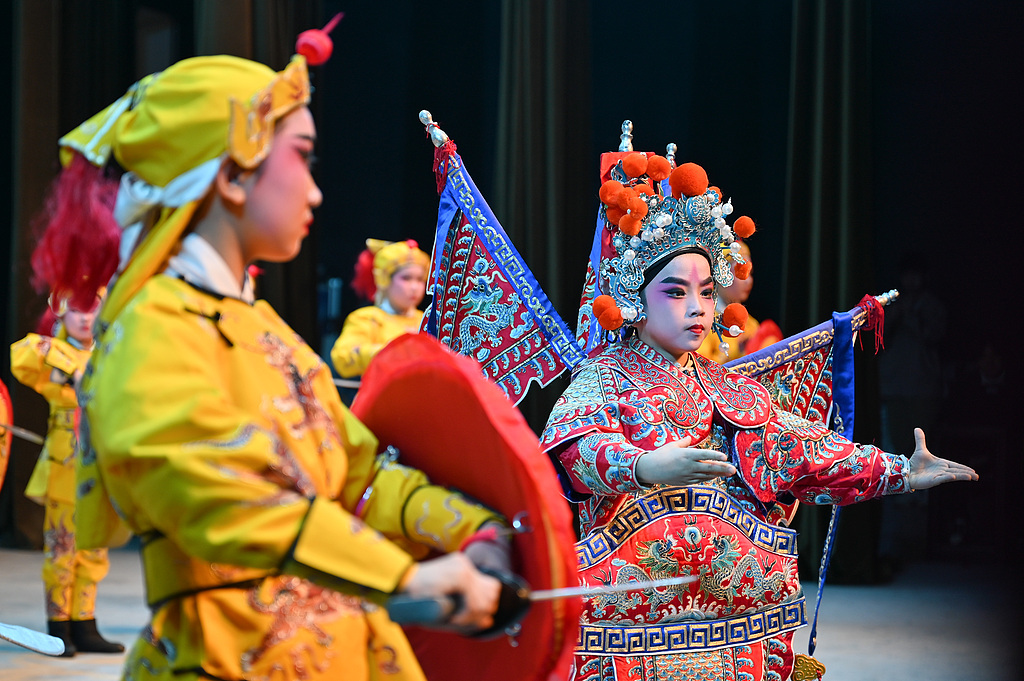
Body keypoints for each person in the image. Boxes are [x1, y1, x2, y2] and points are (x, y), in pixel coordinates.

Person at [45, 46, 509, 681]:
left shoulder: (268, 332)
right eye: (303, 154)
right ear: (233, 174)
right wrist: (403, 575)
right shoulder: (148, 332)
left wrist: (478, 534)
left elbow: (360, 477)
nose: (317, 188)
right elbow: (224, 499)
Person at [541, 154, 978, 681]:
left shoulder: (722, 384)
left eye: (706, 292)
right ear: (635, 298)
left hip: (729, 620)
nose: (698, 308)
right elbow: (572, 452)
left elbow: (802, 450)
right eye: (676, 292)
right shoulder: (606, 376)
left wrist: (897, 471)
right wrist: (643, 466)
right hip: (628, 623)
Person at [9, 292, 124, 657]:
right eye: (76, 310)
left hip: (100, 462)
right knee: (61, 550)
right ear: (61, 314)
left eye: (92, 309)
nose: (85, 318)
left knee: (94, 548)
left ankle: (85, 624)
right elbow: (23, 354)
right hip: (64, 464)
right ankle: (58, 628)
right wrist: (70, 368)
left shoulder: (111, 353)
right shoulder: (55, 353)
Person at [330, 238, 429, 379]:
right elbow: (342, 357)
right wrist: (391, 353)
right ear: (384, 279)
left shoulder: (427, 320)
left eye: (420, 279)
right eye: (406, 278)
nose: (415, 287)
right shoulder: (367, 318)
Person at [696, 239, 783, 363]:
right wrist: (732, 353)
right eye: (741, 273)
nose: (748, 281)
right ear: (721, 274)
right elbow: (698, 369)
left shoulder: (751, 324)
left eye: (750, 273)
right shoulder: (705, 321)